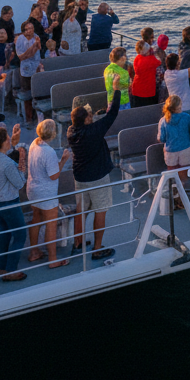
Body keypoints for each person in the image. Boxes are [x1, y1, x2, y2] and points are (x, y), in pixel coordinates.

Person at [67, 77, 120, 258]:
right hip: (97, 177)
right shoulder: (93, 132)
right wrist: (116, 90)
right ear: (85, 120)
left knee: (81, 210)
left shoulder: (71, 132)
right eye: (89, 116)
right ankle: (97, 248)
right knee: (100, 209)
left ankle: (78, 242)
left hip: (80, 177)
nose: (92, 117)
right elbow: (112, 115)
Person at [0, 125, 28, 281]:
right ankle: (11, 270)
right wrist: (22, 164)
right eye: (8, 138)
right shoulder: (6, 163)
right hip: (9, 202)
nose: (10, 140)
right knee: (20, 234)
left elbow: (9, 154)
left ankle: (2, 267)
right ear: (2, 142)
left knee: (5, 233)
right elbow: (20, 183)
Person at [26, 119, 71, 269]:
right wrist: (63, 160)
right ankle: (53, 259)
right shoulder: (49, 152)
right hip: (46, 193)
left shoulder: (34, 143)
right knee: (50, 225)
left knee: (36, 220)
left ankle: (34, 252)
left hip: (33, 190)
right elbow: (54, 175)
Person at [158, 95, 190, 207]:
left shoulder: (164, 120)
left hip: (170, 152)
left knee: (172, 177)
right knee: (183, 177)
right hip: (185, 149)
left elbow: (162, 139)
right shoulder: (186, 117)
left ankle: (173, 198)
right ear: (179, 106)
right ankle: (181, 199)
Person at [14, 20, 42, 123]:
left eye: (32, 28)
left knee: (36, 92)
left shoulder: (36, 36)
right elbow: (22, 56)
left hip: (35, 67)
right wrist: (33, 47)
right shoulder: (20, 40)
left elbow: (38, 48)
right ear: (24, 30)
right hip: (25, 69)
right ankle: (28, 117)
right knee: (27, 94)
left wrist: (35, 46)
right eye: (29, 29)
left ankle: (37, 115)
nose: (31, 31)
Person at [163, 45, 190, 114]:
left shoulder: (166, 74)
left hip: (174, 108)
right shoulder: (181, 75)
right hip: (186, 108)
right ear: (177, 64)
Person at [131, 41, 161, 108]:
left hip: (136, 89)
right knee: (149, 109)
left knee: (138, 109)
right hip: (148, 91)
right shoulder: (151, 59)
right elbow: (160, 62)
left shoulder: (137, 58)